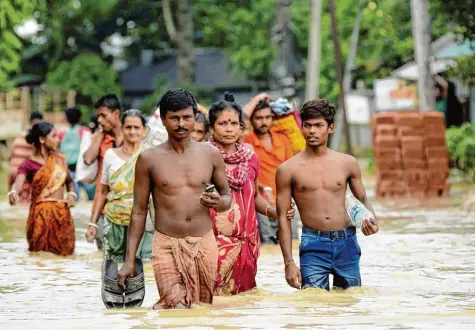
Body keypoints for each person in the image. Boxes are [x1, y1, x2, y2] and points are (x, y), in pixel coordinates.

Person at [117, 89, 232, 309]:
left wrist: (219, 202)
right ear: (163, 120)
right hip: (166, 244)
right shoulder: (148, 159)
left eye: (187, 117)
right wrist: (129, 260)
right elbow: (139, 211)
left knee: (202, 309)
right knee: (176, 308)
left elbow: (227, 198)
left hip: (205, 243)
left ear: (194, 118)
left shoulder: (210, 154)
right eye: (175, 118)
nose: (182, 124)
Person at [275, 99, 379, 291]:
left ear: (330, 128)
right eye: (307, 125)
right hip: (312, 244)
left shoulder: (348, 163)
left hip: (347, 242)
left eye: (318, 125)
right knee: (314, 305)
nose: (312, 131)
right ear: (301, 127)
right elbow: (283, 218)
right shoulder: (287, 169)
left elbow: (362, 199)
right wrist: (288, 262)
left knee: (349, 302)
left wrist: (371, 220)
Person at [207, 92, 295, 295]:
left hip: (247, 240)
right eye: (222, 123)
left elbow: (253, 195)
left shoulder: (250, 157)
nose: (229, 128)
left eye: (234, 123)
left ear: (241, 127)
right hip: (214, 240)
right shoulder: (204, 156)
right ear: (212, 127)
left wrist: (273, 211)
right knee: (214, 300)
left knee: (243, 299)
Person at [85, 109, 153, 262]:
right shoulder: (110, 155)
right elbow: (103, 191)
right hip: (114, 221)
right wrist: (92, 223)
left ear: (144, 131)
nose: (132, 132)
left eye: (137, 127)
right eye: (128, 127)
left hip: (142, 221)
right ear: (122, 129)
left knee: (143, 266)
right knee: (113, 268)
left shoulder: (150, 156)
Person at [8, 122, 76, 256]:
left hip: (61, 216)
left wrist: (72, 194)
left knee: (65, 257)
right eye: (54, 136)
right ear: (42, 139)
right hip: (39, 219)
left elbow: (69, 182)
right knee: (39, 256)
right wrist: (14, 191)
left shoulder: (60, 160)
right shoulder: (27, 164)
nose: (58, 139)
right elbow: (18, 182)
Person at [244, 97, 294, 244]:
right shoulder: (246, 141)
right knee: (266, 244)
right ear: (252, 120)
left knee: (292, 243)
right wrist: (258, 98)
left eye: (267, 117)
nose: (264, 121)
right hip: (260, 203)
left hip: (284, 201)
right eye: (259, 118)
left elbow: (290, 170)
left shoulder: (283, 139)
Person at [83, 94, 123, 248]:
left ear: (116, 114)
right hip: (102, 209)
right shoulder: (100, 138)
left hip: (126, 210)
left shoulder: (132, 138)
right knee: (105, 260)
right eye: (98, 115)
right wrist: (99, 137)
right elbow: (87, 159)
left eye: (103, 115)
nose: (99, 120)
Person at [58, 107, 95, 200]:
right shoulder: (85, 131)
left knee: (74, 197)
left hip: (69, 170)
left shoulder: (62, 132)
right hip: (83, 169)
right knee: (92, 197)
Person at [8, 111, 44, 202]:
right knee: (25, 201)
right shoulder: (34, 139)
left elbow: (10, 154)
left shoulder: (20, 135)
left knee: (14, 199)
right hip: (23, 174)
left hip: (12, 171)